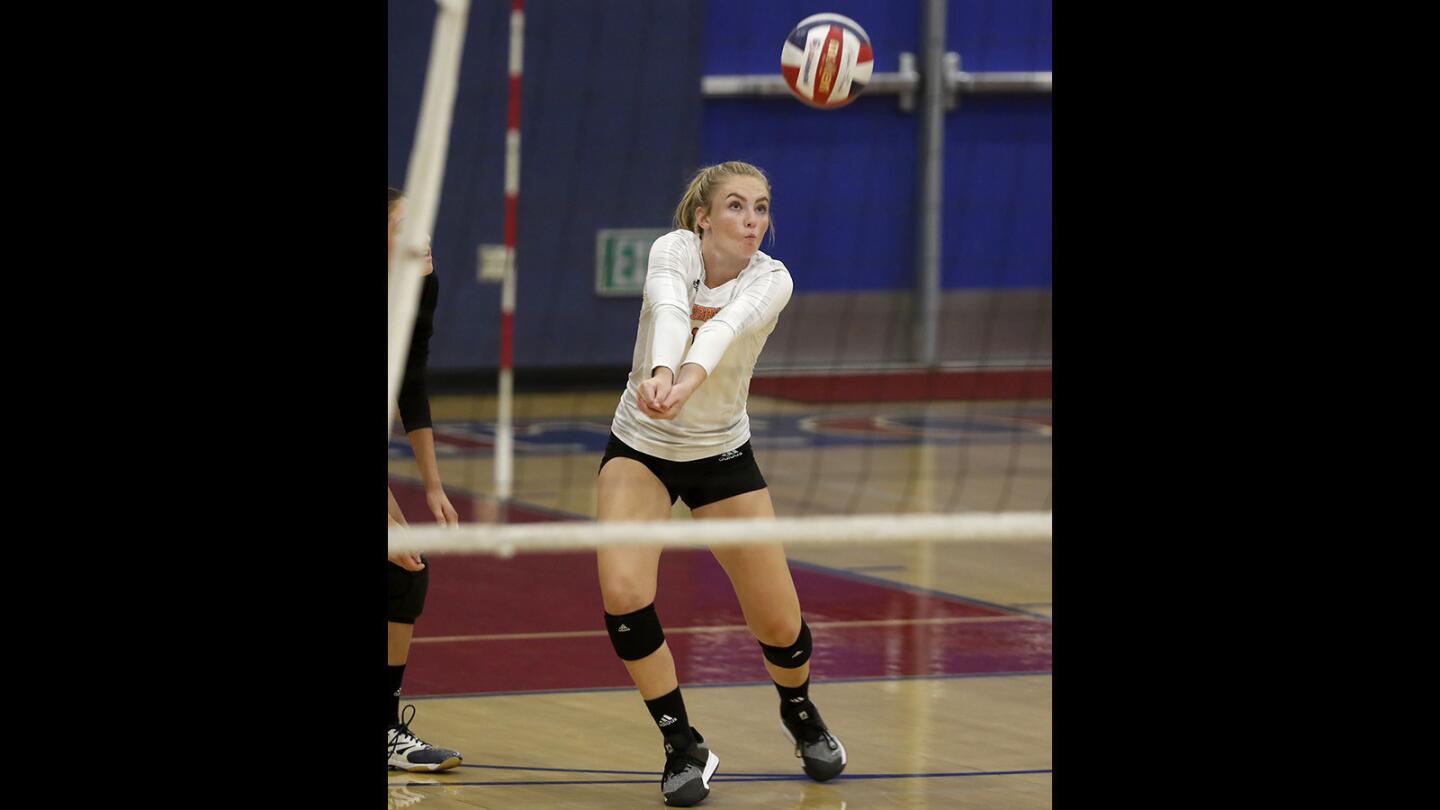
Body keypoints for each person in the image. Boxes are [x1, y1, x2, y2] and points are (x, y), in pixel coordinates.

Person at [596, 162, 845, 807]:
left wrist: (684, 383)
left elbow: (723, 332)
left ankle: (798, 710)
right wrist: (658, 372)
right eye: (736, 207)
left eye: (761, 208)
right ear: (703, 216)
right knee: (623, 593)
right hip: (641, 444)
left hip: (720, 454)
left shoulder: (772, 279)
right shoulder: (672, 249)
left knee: (779, 620)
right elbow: (672, 310)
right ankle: (682, 743)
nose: (752, 221)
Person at [387, 187, 463, 772]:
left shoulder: (420, 290)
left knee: (406, 571)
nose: (426, 238)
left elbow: (411, 384)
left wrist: (433, 486)